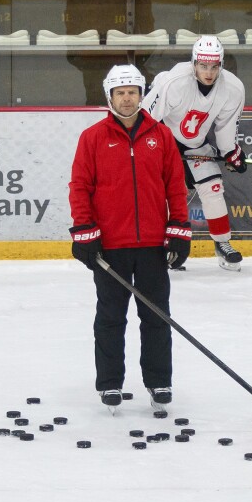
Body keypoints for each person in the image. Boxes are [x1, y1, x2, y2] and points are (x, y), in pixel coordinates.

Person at [69, 64, 190, 413]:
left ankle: (158, 381)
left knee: (156, 317)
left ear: (141, 95)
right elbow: (80, 187)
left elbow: (174, 187)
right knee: (110, 317)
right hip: (110, 247)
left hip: (153, 246)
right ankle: (110, 384)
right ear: (110, 96)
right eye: (120, 93)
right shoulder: (92, 137)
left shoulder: (161, 135)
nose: (127, 98)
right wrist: (85, 233)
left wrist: (179, 229)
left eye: (133, 92)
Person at [141, 34, 247, 270]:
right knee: (163, 194)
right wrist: (149, 151)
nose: (208, 72)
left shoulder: (232, 88)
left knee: (213, 187)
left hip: (195, 144)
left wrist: (231, 151)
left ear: (220, 65)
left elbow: (226, 126)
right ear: (194, 64)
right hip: (163, 142)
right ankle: (161, 244)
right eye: (203, 66)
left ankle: (222, 243)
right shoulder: (174, 82)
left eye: (213, 66)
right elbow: (146, 119)